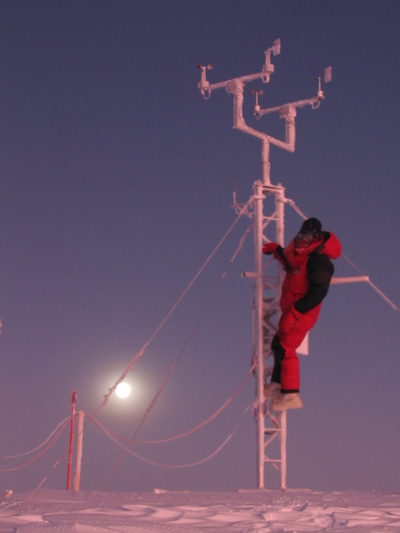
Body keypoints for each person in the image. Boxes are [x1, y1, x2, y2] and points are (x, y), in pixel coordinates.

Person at [262, 218, 341, 411]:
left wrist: (296, 312)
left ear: (316, 238)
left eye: (307, 237)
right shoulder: (300, 251)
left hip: (303, 314)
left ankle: (291, 395)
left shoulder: (319, 261)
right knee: (277, 344)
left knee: (287, 348)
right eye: (301, 236)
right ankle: (276, 386)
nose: (303, 240)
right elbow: (290, 261)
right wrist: (276, 250)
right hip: (291, 310)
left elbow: (318, 293)